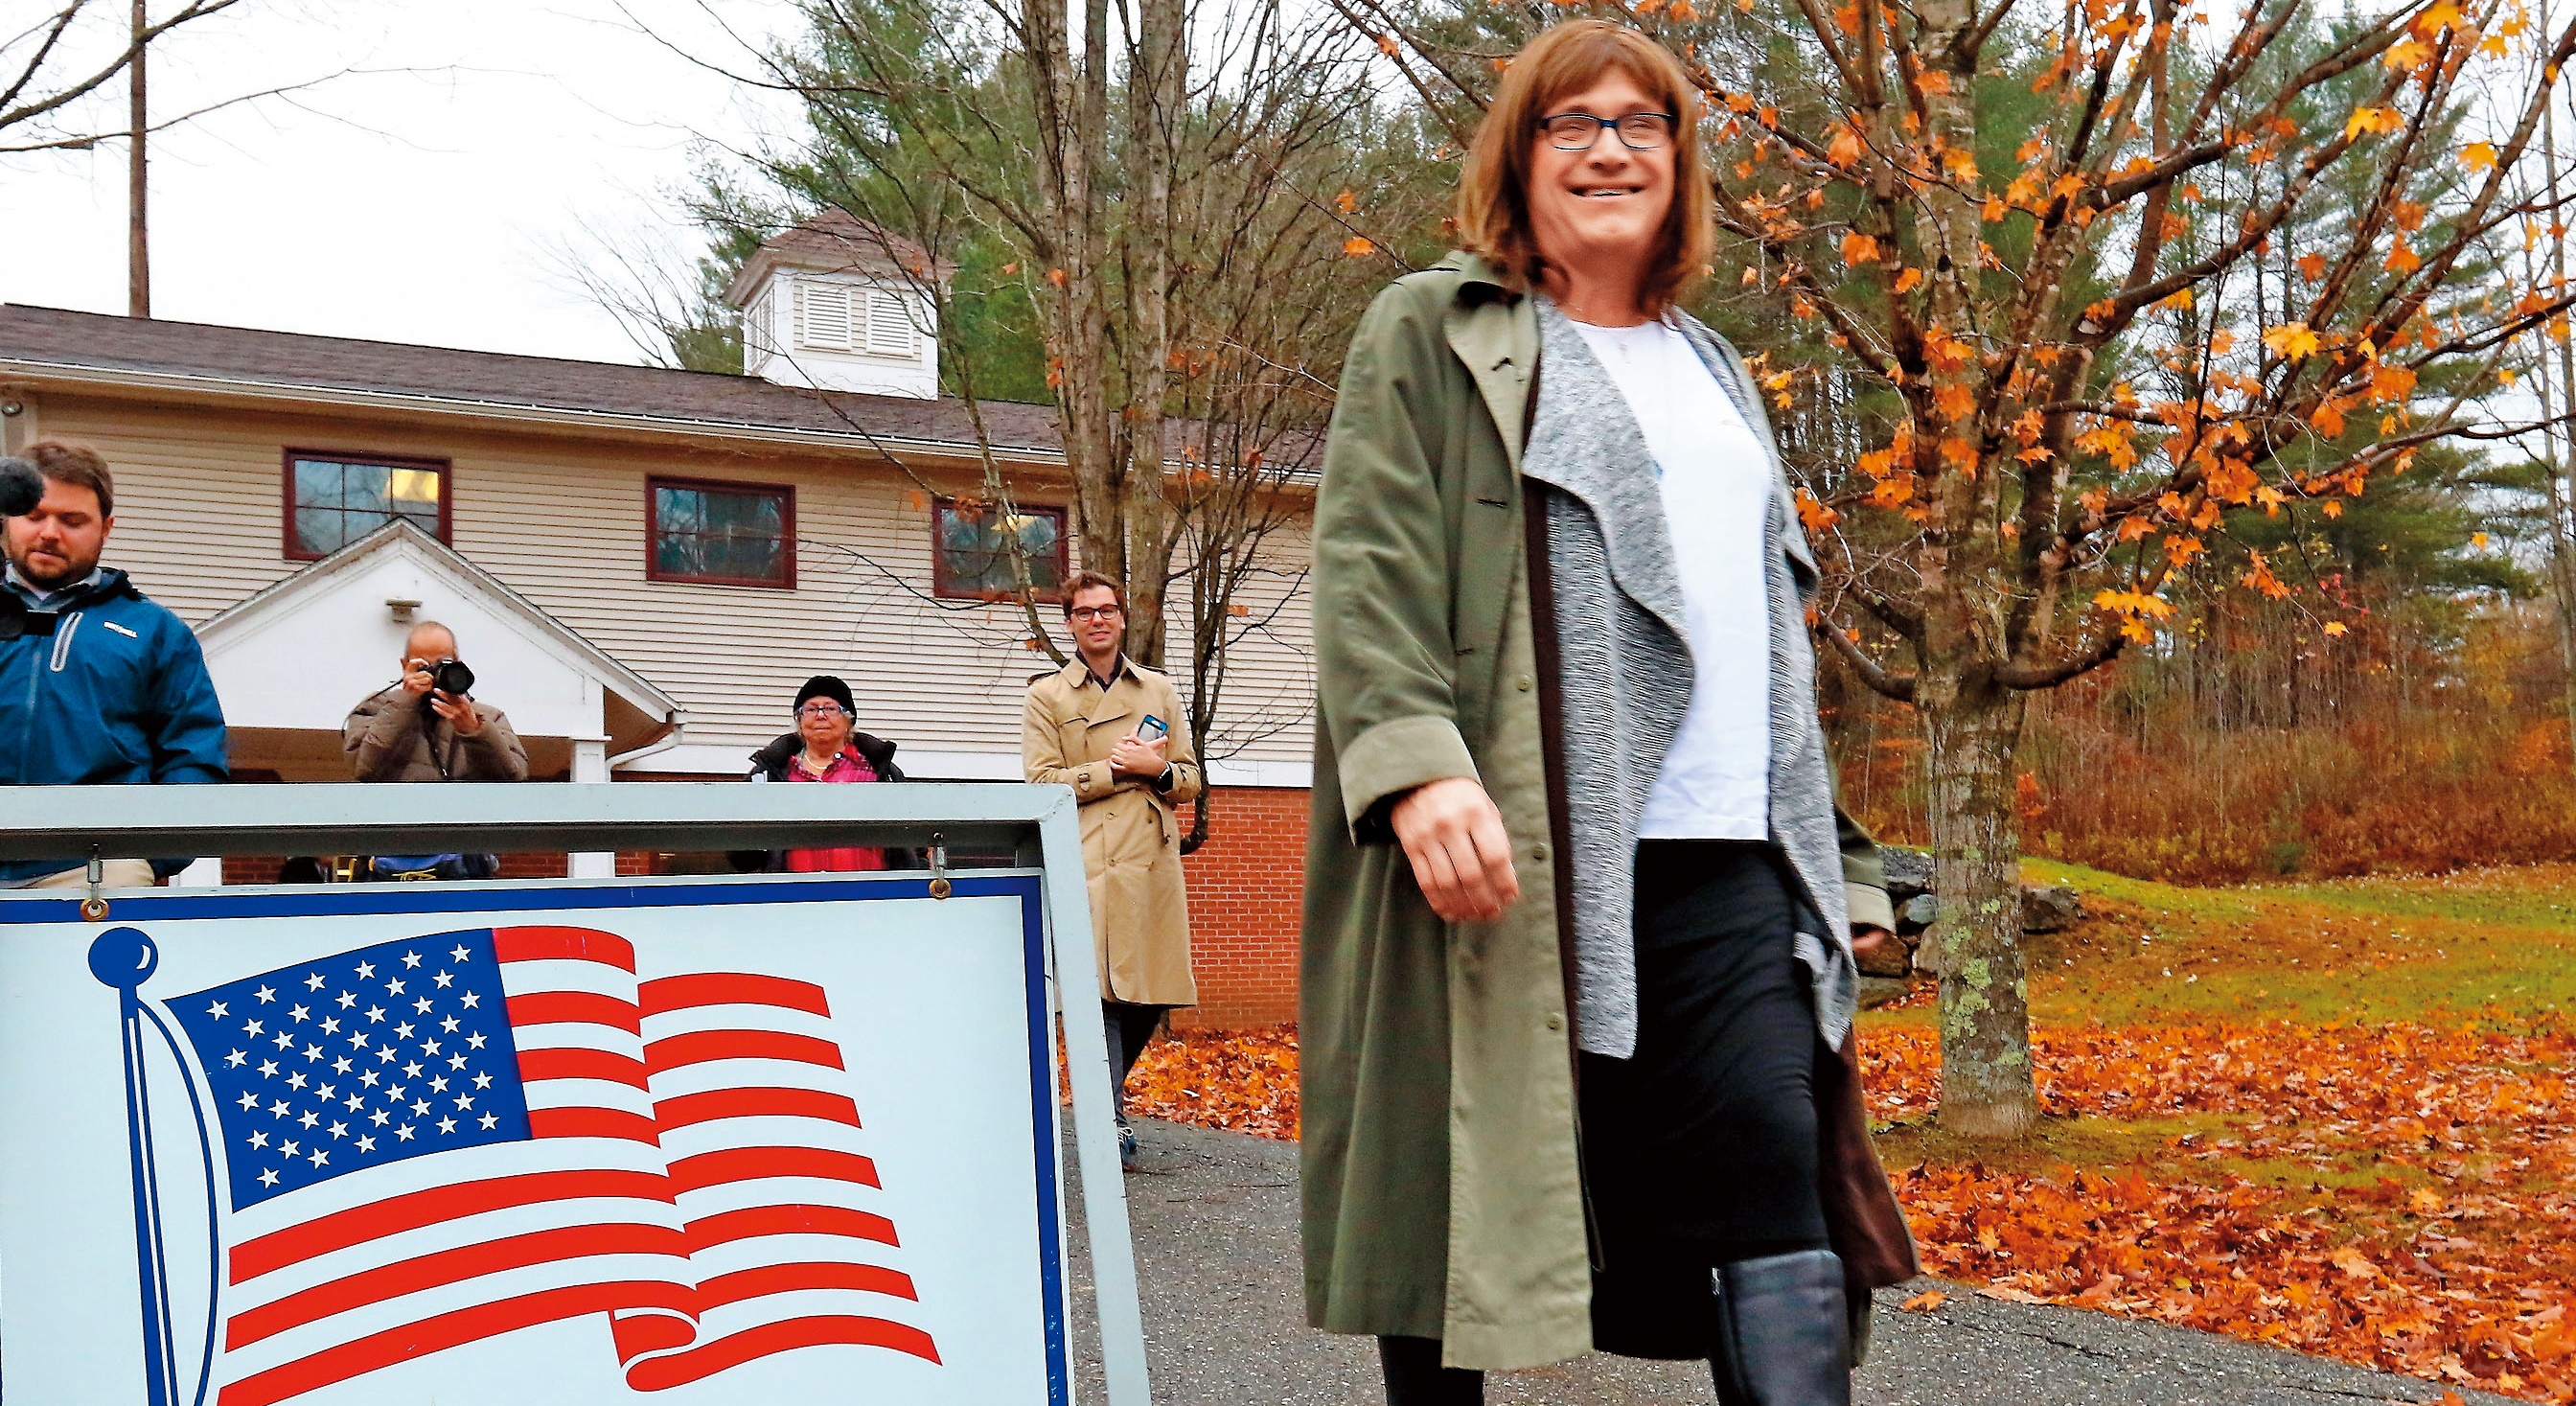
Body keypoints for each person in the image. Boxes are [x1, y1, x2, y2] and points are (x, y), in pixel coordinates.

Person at [1300, 21, 1918, 1405]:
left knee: (1774, 1172)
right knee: (1461, 1194)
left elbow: (1759, 646)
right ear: (1517, 160)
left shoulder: (1718, 371)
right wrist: (1414, 771)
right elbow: (1369, 566)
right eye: (1567, 123)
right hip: (1515, 846)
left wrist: (1840, 853)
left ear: (1680, 164)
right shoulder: (1432, 326)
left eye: (1642, 123)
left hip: (1729, 863)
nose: (1608, 147)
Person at [1022, 570, 1202, 1171]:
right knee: (1099, 993)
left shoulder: (1159, 690)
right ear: (1070, 623)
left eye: (1107, 610)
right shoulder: (1048, 695)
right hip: (1087, 855)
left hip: (1148, 859)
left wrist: (1155, 769)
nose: (1097, 620)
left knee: (1150, 993)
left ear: (1122, 618)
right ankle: (1110, 1117)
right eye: (1083, 612)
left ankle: (1098, 1100)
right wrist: (1115, 771)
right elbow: (1041, 782)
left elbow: (1190, 779)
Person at [0, 441, 226, 888]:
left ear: (105, 528)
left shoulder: (156, 632)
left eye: (72, 520)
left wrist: (151, 855)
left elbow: (193, 757)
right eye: (35, 516)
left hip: (95, 868)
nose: (49, 532)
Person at [342, 620, 527, 880]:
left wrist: (473, 729)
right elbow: (365, 768)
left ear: (458, 661)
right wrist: (405, 704)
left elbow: (513, 776)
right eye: (423, 665)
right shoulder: (375, 710)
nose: (433, 674)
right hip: (389, 863)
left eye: (443, 664)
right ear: (404, 665)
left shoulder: (487, 718)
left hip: (463, 863)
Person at [740, 674, 904, 872]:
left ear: (848, 720)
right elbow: (740, 848)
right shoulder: (771, 772)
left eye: (830, 708)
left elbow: (916, 839)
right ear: (799, 721)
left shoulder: (880, 770)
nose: (820, 715)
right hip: (790, 897)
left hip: (871, 896)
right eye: (810, 709)